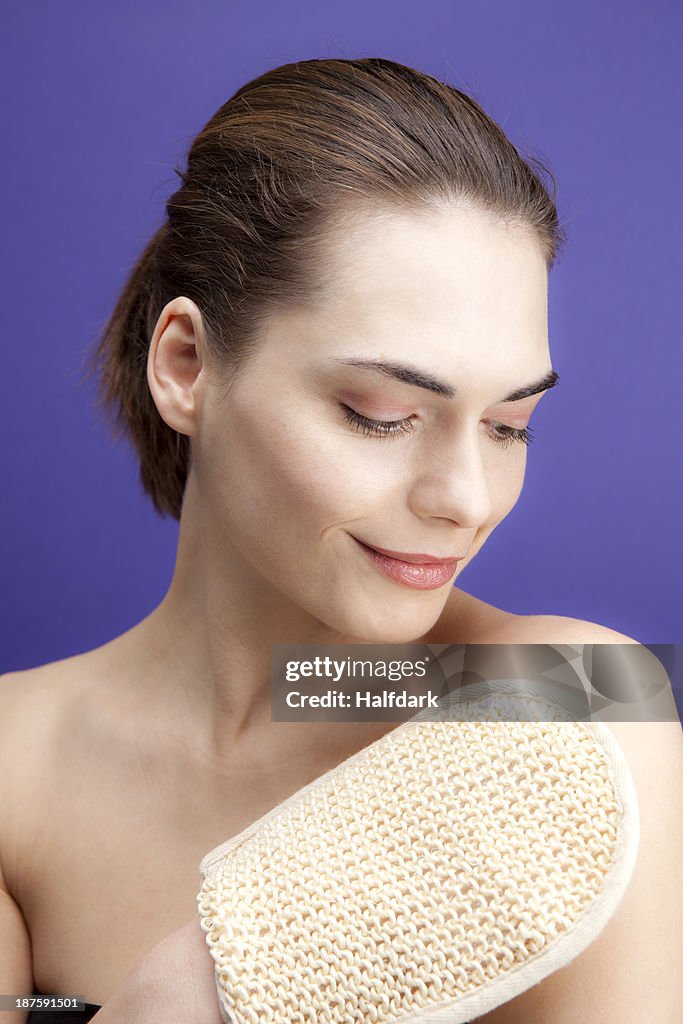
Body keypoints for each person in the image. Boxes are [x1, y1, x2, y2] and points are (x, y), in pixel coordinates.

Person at [0, 57, 680, 1024]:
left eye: (509, 425)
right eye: (379, 412)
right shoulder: (14, 763)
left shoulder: (572, 702)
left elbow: (600, 701)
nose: (466, 499)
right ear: (187, 365)